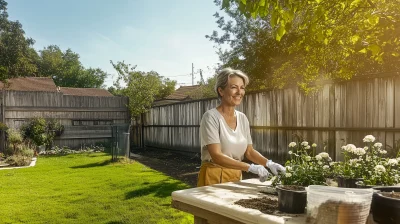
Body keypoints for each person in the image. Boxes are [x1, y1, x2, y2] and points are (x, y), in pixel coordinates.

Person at [197, 68, 285, 187]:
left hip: (236, 176)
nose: (239, 92)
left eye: (242, 87)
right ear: (221, 91)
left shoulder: (242, 118)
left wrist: (269, 163)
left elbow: (248, 152)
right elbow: (216, 156)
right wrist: (250, 167)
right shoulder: (211, 117)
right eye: (234, 87)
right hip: (213, 176)